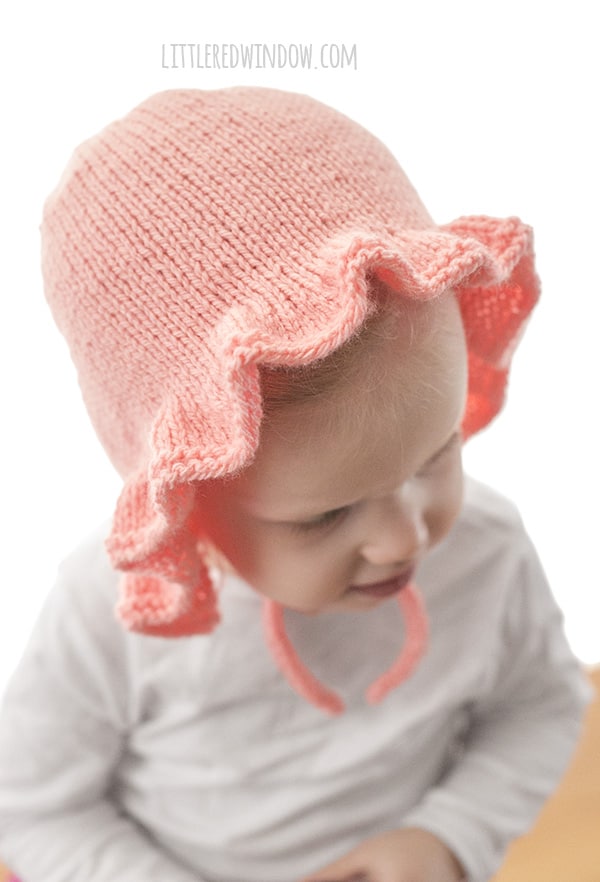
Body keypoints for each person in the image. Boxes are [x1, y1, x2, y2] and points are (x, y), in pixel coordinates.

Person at [0, 87, 591, 882]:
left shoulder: (487, 552)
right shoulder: (108, 616)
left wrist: (448, 836)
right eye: (329, 514)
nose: (405, 536)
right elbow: (34, 807)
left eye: (436, 455)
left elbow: (539, 704)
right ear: (190, 492)